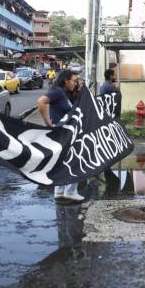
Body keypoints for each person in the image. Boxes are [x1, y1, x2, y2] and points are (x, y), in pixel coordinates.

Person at [37, 69, 86, 203]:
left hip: (65, 134)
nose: (76, 84)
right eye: (74, 81)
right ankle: (70, 191)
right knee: (75, 161)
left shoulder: (65, 93)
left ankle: (59, 191)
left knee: (62, 163)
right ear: (66, 80)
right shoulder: (58, 91)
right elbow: (41, 101)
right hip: (62, 134)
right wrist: (47, 122)